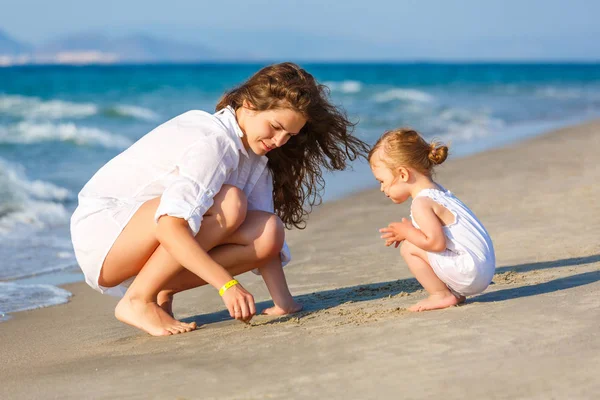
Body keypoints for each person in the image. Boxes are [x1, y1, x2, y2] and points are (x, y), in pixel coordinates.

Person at [70, 62, 369, 336]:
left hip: (140, 237)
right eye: (276, 127)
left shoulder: (254, 156)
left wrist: (284, 303)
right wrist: (226, 285)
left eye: (289, 135)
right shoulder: (213, 143)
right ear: (249, 105)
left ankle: (157, 291)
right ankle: (138, 299)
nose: (279, 141)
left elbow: (266, 243)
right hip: (104, 237)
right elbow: (168, 226)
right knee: (230, 204)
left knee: (268, 232)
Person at [369, 128, 495, 311]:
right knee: (414, 242)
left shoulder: (421, 203)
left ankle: (441, 295)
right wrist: (411, 230)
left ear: (403, 174)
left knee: (409, 248)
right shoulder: (439, 192)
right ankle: (453, 292)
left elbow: (436, 244)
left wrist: (408, 233)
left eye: (381, 181)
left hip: (470, 274)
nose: (381, 189)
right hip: (483, 269)